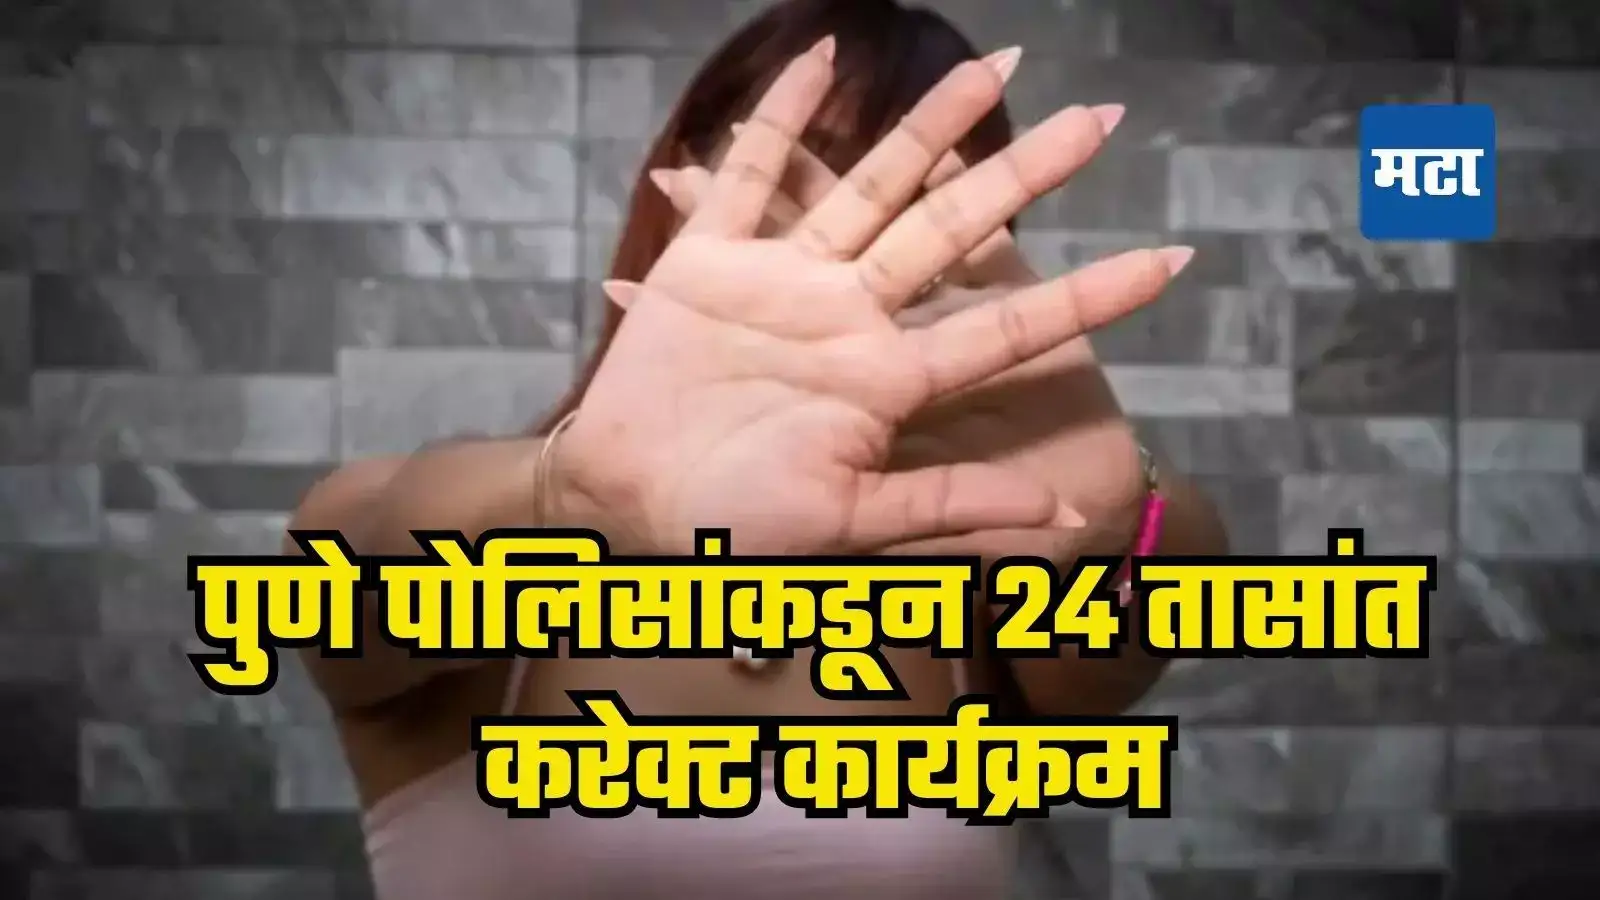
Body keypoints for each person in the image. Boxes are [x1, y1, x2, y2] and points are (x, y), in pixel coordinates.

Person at [289, 1, 1229, 897]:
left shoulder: (982, 573)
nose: (864, 241)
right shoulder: (481, 516)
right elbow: (351, 562)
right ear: (681, 189)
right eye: (813, 173)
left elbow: (1132, 631)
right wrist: (577, 499)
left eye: (935, 203)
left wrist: (1115, 529)